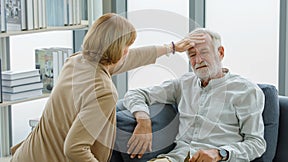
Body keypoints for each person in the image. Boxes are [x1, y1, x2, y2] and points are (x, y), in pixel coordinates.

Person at [10, 13, 199, 162]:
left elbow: (126, 59)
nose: (128, 51)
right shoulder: (104, 91)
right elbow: (75, 148)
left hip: (28, 155)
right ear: (118, 49)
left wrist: (171, 47)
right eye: (127, 46)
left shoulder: (77, 61)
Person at [122, 28, 267, 162]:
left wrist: (220, 153)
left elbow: (256, 143)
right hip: (176, 158)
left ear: (220, 53)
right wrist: (143, 120)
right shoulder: (184, 84)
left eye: (204, 52)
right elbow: (135, 94)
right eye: (192, 55)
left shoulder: (246, 90)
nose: (198, 60)